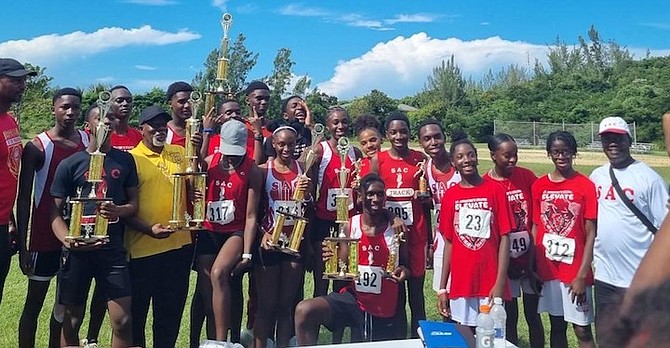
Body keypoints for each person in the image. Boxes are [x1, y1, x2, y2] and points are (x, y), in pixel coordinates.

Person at [50, 110, 138, 348]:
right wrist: (67, 239)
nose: (105, 122)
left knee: (122, 320)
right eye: (99, 117)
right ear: (88, 126)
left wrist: (118, 211)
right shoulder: (71, 163)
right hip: (77, 252)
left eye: (110, 118)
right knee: (72, 319)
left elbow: (133, 205)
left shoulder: (125, 161)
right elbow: (54, 212)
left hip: (111, 250)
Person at [295, 173, 410, 345]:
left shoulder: (396, 228)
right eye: (370, 194)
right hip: (353, 299)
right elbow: (344, 264)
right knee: (305, 310)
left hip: (383, 303)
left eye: (380, 194)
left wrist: (403, 272)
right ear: (361, 197)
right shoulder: (350, 225)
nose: (375, 199)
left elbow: (406, 266)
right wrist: (332, 257)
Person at [16, 88, 89, 348]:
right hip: (43, 238)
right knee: (34, 303)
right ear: (53, 109)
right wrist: (24, 247)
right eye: (64, 107)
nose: (70, 113)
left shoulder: (87, 142)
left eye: (75, 108)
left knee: (64, 307)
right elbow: (24, 197)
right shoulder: (37, 146)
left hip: (75, 235)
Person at [589, 116, 668, 340]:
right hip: (604, 278)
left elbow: (665, 228)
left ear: (629, 140)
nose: (612, 143)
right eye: (607, 139)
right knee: (607, 337)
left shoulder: (649, 178)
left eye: (618, 138)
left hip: (638, 279)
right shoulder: (597, 176)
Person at [125, 105, 194, 347]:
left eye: (163, 125)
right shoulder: (132, 159)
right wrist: (148, 230)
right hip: (144, 249)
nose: (160, 129)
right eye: (153, 125)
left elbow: (195, 180)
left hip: (179, 246)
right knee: (137, 314)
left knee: (170, 314)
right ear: (141, 129)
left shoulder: (178, 151)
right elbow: (125, 208)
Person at [436, 130, 512, 328]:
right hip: (462, 281)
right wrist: (443, 288)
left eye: (470, 154)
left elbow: (505, 237)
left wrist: (500, 282)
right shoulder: (451, 196)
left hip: (489, 280)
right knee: (465, 333)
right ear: (453, 163)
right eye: (460, 157)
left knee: (491, 336)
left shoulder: (495, 190)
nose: (466, 160)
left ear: (477, 157)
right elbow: (449, 243)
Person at [194, 119, 261, 342]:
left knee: (218, 274)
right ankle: (212, 340)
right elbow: (195, 167)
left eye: (236, 152)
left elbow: (251, 216)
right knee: (207, 293)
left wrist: (248, 253)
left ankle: (222, 342)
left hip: (235, 232)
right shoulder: (212, 161)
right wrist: (204, 134)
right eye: (227, 151)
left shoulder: (251, 169)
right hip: (209, 230)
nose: (231, 156)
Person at [532, 131, 596, 348]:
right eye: (556, 152)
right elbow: (535, 226)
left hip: (575, 271)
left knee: (582, 329)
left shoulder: (585, 185)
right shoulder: (539, 186)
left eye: (566, 151)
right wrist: (534, 265)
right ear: (549, 154)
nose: (561, 157)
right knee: (556, 325)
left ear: (574, 153)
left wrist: (582, 275)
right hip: (549, 270)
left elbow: (590, 233)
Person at [370, 111, 430, 337]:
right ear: (387, 134)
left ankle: (418, 337)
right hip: (390, 235)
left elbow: (426, 202)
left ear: (409, 133)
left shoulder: (420, 159)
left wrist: (431, 240)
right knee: (394, 291)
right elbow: (371, 195)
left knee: (416, 292)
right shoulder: (379, 159)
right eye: (394, 132)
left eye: (403, 131)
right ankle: (395, 338)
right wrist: (390, 216)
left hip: (416, 234)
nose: (399, 136)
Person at [483, 133, 544, 347]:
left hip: (529, 260)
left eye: (515, 155)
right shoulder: (486, 184)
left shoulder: (526, 177)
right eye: (507, 155)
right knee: (507, 317)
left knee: (533, 315)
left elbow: (537, 217)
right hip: (503, 262)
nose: (512, 160)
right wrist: (503, 266)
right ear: (493, 155)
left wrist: (531, 262)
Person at [255, 126, 311, 348]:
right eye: (282, 144)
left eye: (291, 144)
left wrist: (307, 194)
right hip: (270, 244)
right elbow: (252, 211)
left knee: (285, 306)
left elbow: (309, 206)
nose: (287, 148)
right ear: (274, 145)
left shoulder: (304, 169)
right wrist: (263, 233)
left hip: (294, 243)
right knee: (266, 306)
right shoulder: (262, 170)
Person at [311, 107, 362, 298]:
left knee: (342, 277)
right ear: (327, 125)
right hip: (324, 220)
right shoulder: (319, 150)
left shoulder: (355, 152)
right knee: (322, 277)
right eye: (335, 122)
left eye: (344, 122)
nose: (341, 126)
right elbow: (309, 184)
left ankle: (338, 326)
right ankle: (317, 322)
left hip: (348, 223)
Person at [0, 58, 35, 305]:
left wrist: (10, 219)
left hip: (2, 224)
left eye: (23, 80)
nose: (22, 85)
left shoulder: (10, 120)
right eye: (15, 80)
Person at [416, 120, 461, 295]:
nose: (433, 142)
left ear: (444, 138)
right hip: (442, 237)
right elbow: (428, 208)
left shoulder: (459, 163)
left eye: (437, 137)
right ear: (421, 143)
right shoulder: (425, 169)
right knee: (444, 291)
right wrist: (429, 242)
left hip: (465, 235)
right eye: (427, 139)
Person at [263, 96, 313, 161]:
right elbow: (270, 165)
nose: (300, 108)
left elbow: (325, 150)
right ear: (285, 116)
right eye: (294, 106)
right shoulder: (276, 137)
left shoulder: (310, 134)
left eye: (303, 106)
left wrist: (309, 125)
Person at [109, 85, 142, 151]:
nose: (125, 103)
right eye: (119, 100)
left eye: (129, 100)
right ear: (109, 103)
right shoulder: (101, 136)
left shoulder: (138, 136)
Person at [166, 81, 194, 147]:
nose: (187, 105)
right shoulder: (164, 132)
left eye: (190, 101)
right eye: (181, 102)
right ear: (170, 104)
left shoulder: (200, 131)